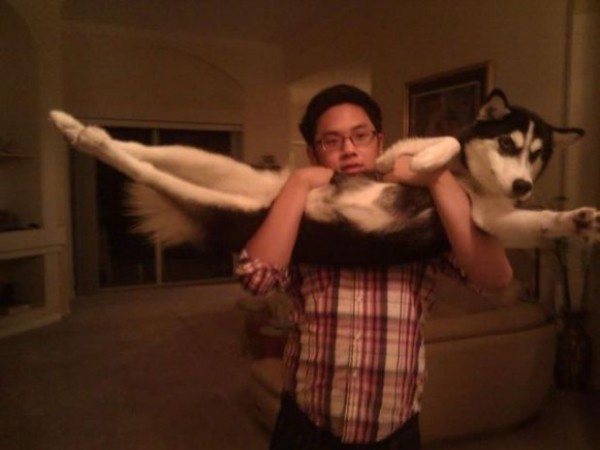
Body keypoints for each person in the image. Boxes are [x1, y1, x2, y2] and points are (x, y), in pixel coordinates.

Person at [236, 84, 513, 450]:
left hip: (393, 433)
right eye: (331, 141)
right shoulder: (306, 216)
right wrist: (299, 183)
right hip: (306, 424)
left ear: (379, 142)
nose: (349, 149)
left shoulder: (418, 212)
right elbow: (256, 279)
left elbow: (495, 278)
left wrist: (436, 177)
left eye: (360, 135)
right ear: (313, 153)